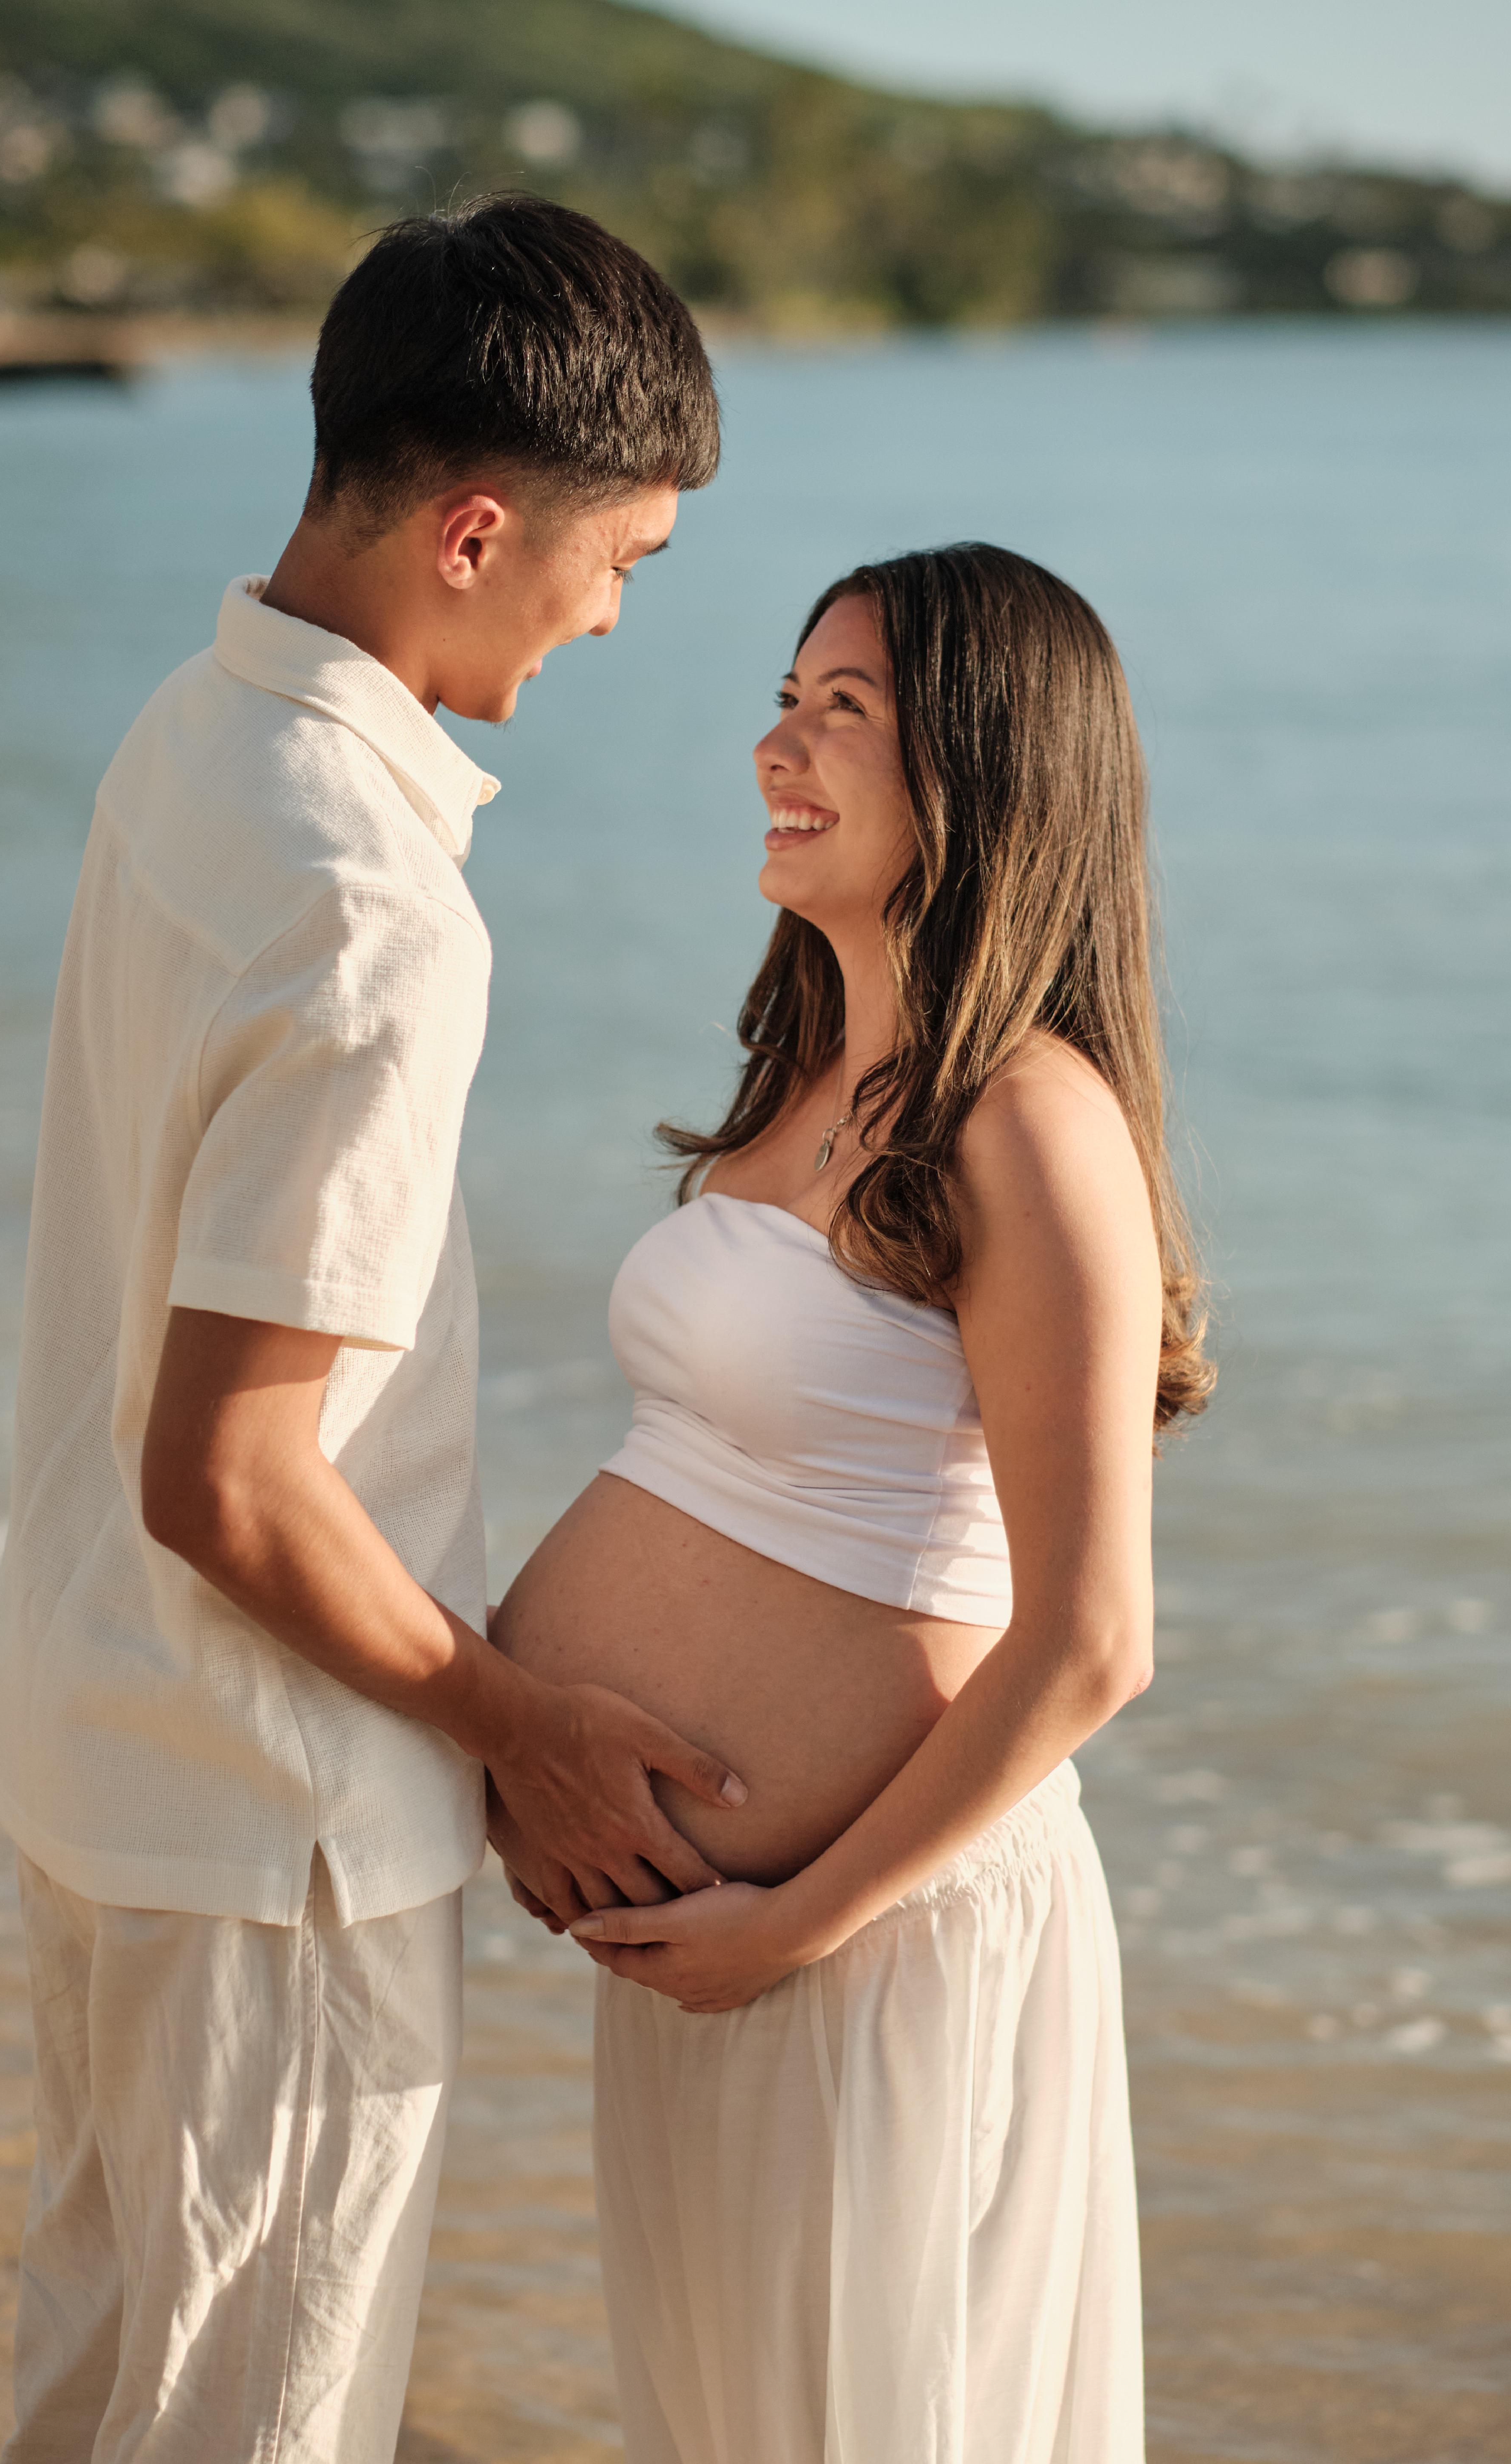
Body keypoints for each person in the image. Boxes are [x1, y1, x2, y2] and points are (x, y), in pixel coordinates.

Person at [0, 196, 744, 2464]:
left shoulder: (194, 733)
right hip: (271, 1834)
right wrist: (524, 1726)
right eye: (622, 562)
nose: (614, 615)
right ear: (483, 526)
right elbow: (227, 1477)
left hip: (100, 1764)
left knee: (98, 2395)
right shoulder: (373, 909)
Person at [489, 542, 1214, 2462]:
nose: (772, 747)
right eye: (787, 698)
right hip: (722, 1947)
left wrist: (800, 1918)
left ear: (981, 771)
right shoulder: (808, 1079)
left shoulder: (1028, 1121)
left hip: (872, 1948)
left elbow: (1091, 1644)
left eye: (845, 713)